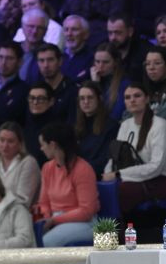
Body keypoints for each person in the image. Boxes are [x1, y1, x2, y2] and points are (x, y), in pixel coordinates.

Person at [102, 82, 166, 222]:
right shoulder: (125, 124)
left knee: (118, 193)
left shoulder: (159, 125)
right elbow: (114, 157)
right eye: (127, 97)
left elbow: (156, 167)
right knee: (101, 189)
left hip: (158, 180)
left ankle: (113, 235)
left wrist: (119, 174)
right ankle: (106, 236)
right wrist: (107, 175)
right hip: (130, 177)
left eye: (137, 96)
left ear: (147, 99)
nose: (132, 100)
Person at [37, 123, 100, 248]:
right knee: (30, 239)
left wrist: (54, 220)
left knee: (46, 243)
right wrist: (45, 219)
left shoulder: (83, 169)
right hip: (56, 219)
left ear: (53, 145)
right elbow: (43, 203)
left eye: (43, 144)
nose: (41, 148)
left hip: (86, 222)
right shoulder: (47, 168)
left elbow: (86, 211)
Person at [0, 122, 42, 207]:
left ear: (20, 144)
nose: (5, 145)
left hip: (17, 213)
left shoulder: (28, 163)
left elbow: (23, 200)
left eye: (10, 141)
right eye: (2, 140)